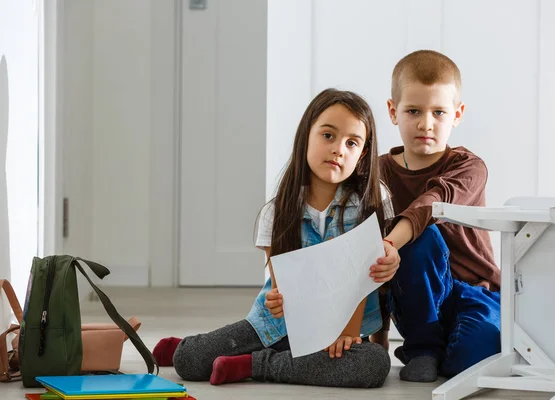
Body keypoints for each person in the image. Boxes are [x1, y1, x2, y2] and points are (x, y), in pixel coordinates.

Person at [153, 88, 398, 388]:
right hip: (278, 327)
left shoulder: (373, 202)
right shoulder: (278, 210)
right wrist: (278, 300)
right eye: (328, 136)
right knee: (188, 361)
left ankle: (254, 364)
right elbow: (281, 286)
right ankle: (196, 346)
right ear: (306, 136)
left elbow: (364, 280)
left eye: (352, 143)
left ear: (362, 154)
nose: (338, 149)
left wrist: (346, 333)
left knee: (374, 364)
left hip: (342, 331)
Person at [370, 50, 501, 382]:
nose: (425, 123)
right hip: (416, 295)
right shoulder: (378, 173)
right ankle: (423, 348)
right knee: (419, 242)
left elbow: (432, 204)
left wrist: (389, 241)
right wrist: (378, 336)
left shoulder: (470, 167)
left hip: (475, 291)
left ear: (457, 115)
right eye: (413, 111)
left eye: (438, 112)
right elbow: (373, 254)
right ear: (392, 111)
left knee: (473, 359)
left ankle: (444, 351)